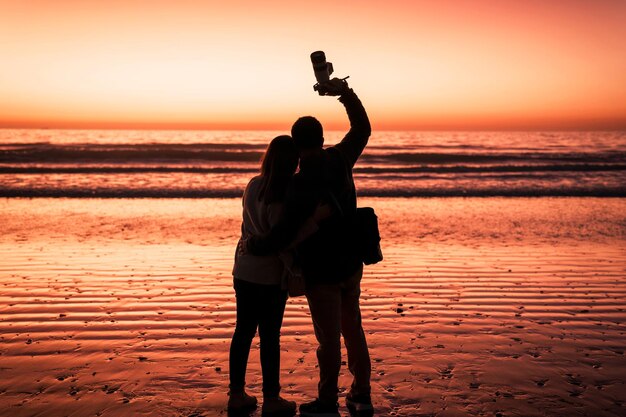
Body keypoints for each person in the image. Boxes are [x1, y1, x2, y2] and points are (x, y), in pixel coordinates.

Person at [247, 78, 374, 417]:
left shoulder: (298, 186)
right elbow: (362, 128)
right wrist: (345, 93)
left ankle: (328, 401)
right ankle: (362, 394)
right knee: (353, 329)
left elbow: (284, 236)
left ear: (296, 145)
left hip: (322, 271)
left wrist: (255, 244)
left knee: (329, 340)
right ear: (320, 139)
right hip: (351, 264)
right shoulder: (340, 159)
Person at [228, 135, 299, 417]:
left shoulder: (253, 185)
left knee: (243, 331)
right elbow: (280, 239)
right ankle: (271, 398)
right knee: (270, 336)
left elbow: (250, 225)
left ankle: (236, 394)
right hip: (269, 275)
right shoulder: (283, 194)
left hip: (243, 270)